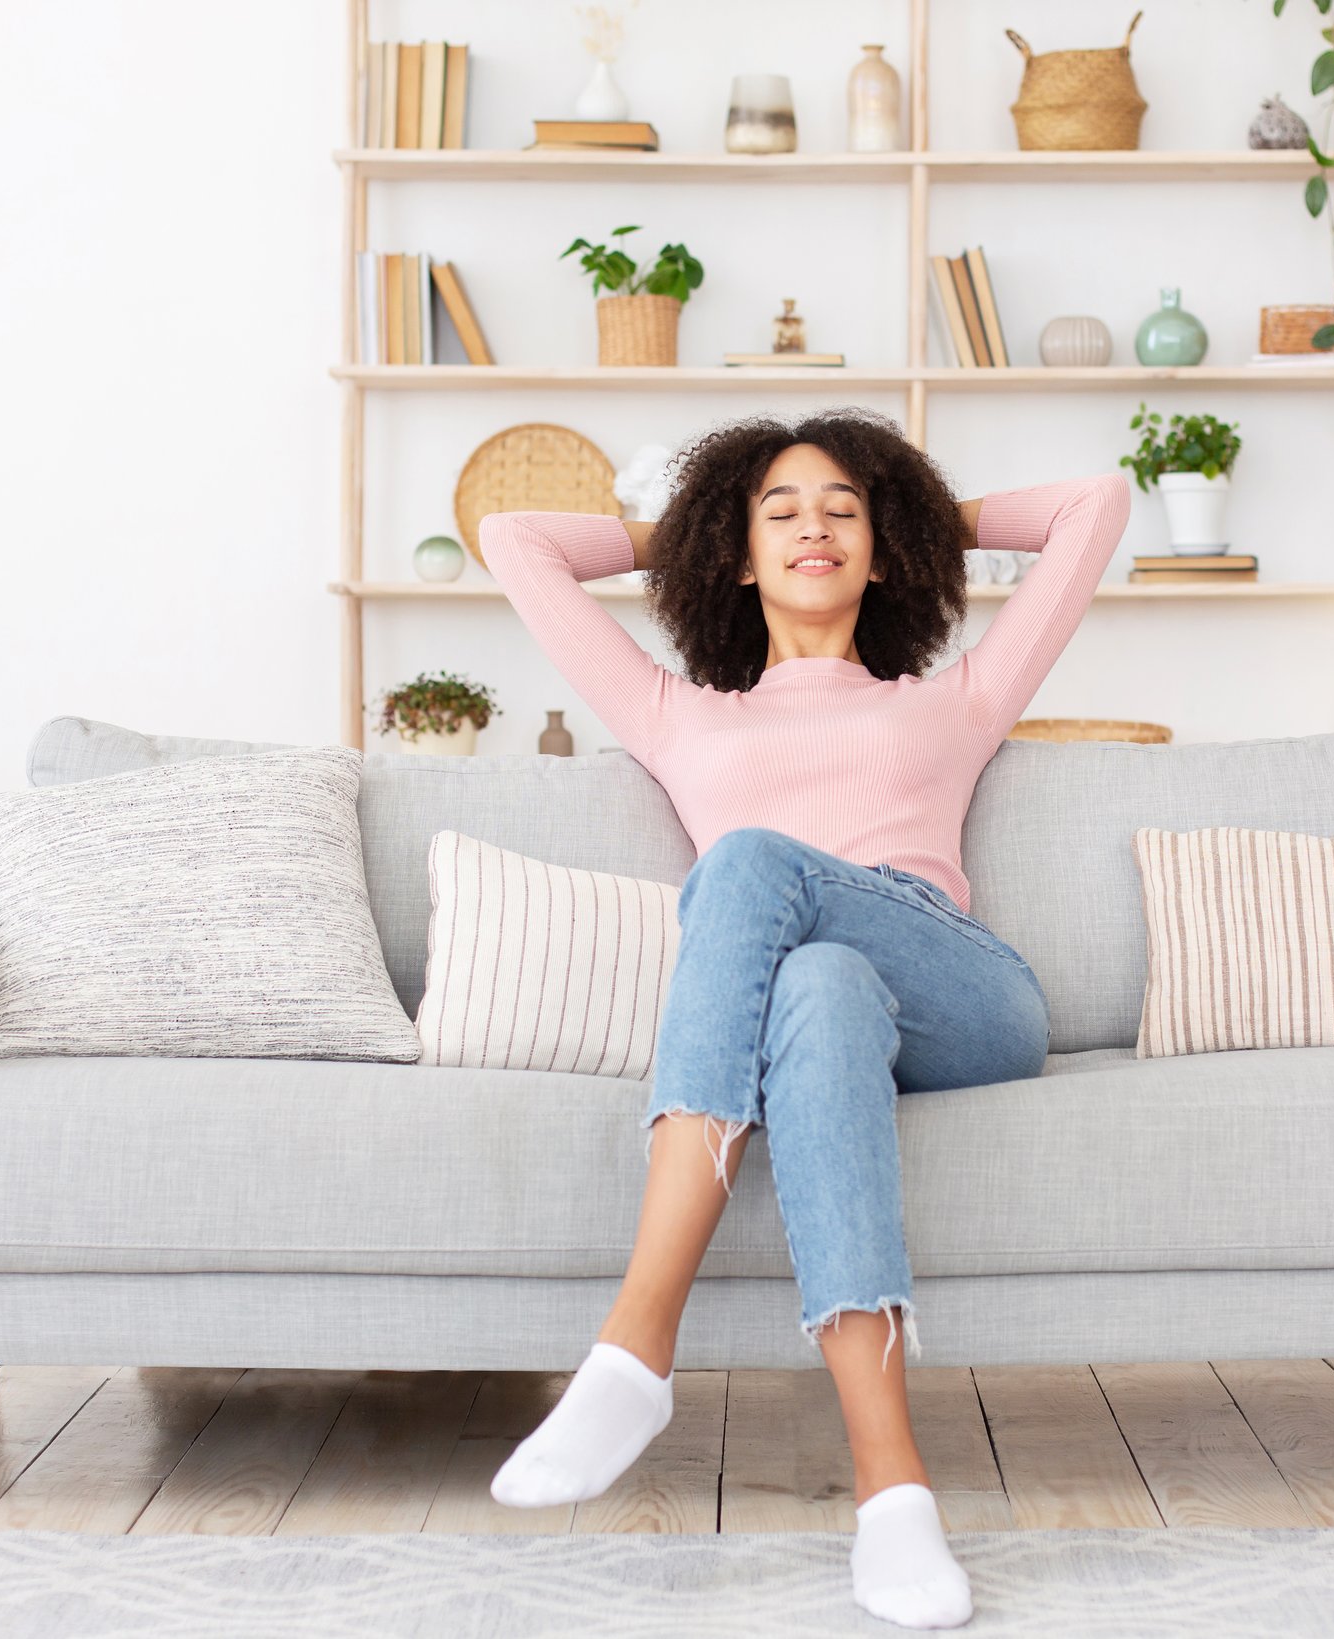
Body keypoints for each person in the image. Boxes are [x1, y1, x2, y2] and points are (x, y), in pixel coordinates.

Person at [474, 407, 1132, 1629]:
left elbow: (1096, 503)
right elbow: (513, 536)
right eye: (779, 512)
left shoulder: (959, 695)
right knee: (818, 985)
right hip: (822, 1006)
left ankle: (635, 1343)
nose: (814, 527)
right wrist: (699, 525)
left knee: (751, 865)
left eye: (843, 509)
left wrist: (918, 510)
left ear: (883, 552)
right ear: (735, 553)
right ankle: (894, 1498)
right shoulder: (679, 714)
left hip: (965, 995)